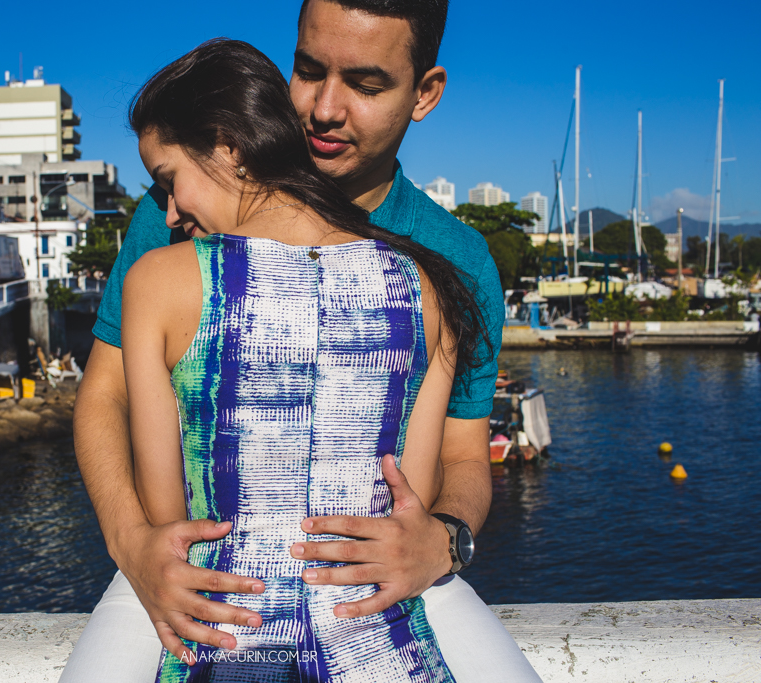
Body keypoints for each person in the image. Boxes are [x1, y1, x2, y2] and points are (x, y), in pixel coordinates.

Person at [60, 2, 540, 682]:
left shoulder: (456, 255)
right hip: (181, 564)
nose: (323, 108)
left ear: (424, 93)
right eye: (309, 70)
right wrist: (132, 543)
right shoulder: (174, 214)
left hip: (369, 571)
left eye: (366, 84)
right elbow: (101, 396)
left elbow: (467, 457)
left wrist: (442, 540)